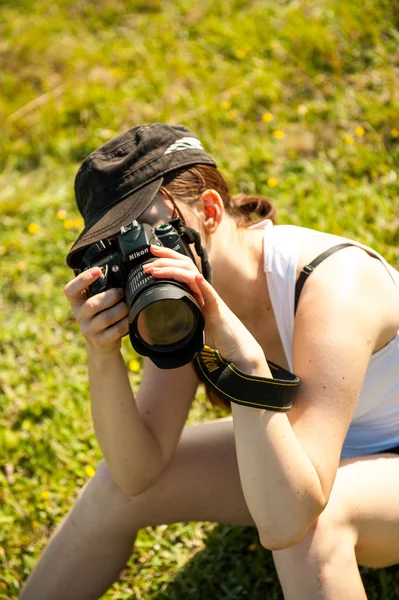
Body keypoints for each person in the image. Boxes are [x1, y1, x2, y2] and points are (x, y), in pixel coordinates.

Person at [20, 123, 399, 600]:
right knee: (115, 488)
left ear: (211, 211)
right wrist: (103, 356)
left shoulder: (333, 283)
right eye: (119, 246)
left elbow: (287, 520)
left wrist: (244, 361)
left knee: (311, 527)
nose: (142, 258)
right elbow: (137, 474)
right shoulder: (174, 292)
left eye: (151, 230)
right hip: (321, 448)